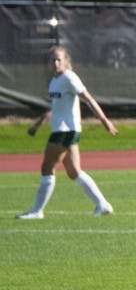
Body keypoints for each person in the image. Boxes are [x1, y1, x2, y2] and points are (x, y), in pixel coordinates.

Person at [16, 46, 117, 220]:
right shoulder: (54, 81)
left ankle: (37, 211)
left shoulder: (69, 77)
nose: (55, 63)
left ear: (66, 61)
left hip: (65, 131)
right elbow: (56, 108)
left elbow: (88, 98)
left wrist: (104, 121)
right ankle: (103, 204)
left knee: (47, 168)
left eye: (59, 59)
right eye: (53, 60)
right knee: (74, 172)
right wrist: (38, 124)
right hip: (66, 130)